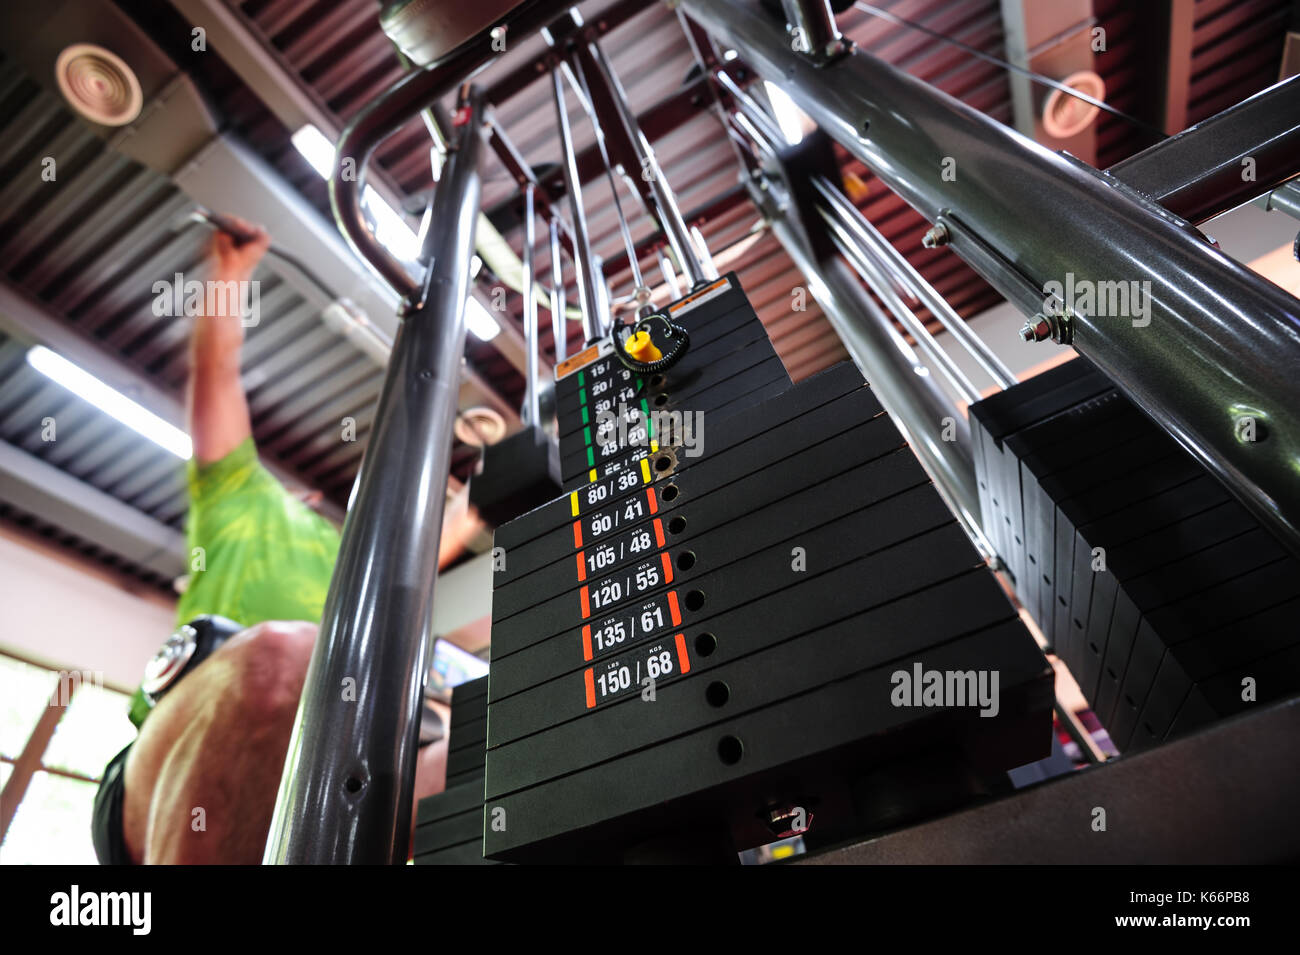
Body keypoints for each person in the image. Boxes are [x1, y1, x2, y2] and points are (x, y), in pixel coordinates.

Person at [91, 218, 448, 864]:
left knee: (458, 751)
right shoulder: (242, 497)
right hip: (178, 758)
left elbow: (441, 538)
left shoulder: (357, 566)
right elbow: (216, 371)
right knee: (288, 658)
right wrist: (231, 271)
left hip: (318, 777)